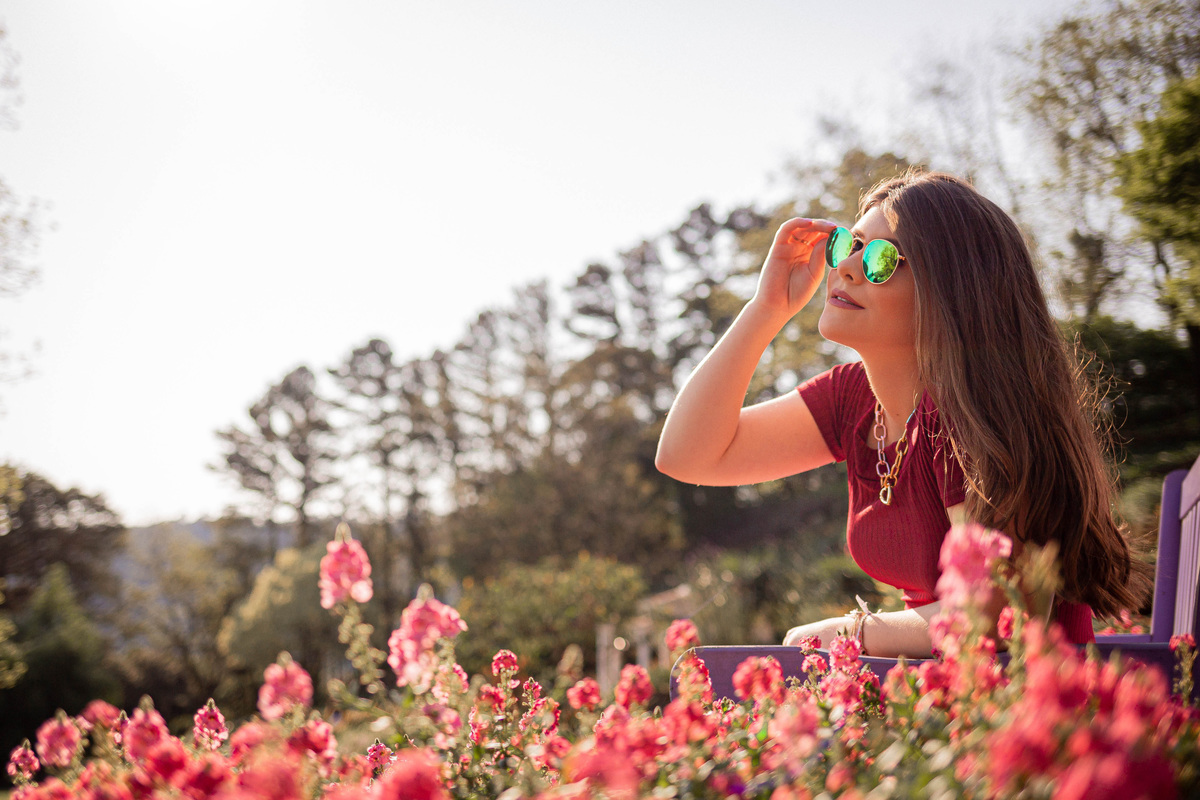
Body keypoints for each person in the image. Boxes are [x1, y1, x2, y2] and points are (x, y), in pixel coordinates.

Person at [654, 169, 1152, 658]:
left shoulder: (962, 416)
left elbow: (996, 613)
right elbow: (688, 457)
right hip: (953, 698)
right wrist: (767, 308)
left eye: (882, 259)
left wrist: (852, 631)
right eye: (847, 245)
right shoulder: (852, 399)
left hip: (1032, 711)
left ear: (953, 292)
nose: (847, 266)